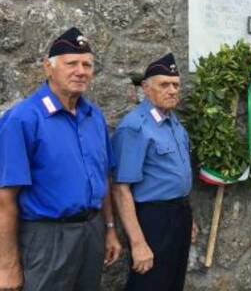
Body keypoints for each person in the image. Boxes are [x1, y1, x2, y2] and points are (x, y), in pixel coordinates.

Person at [0, 27, 122, 291]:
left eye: (87, 64)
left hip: (91, 232)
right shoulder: (22, 119)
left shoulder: (94, 117)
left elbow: (102, 178)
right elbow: (5, 198)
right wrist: (6, 265)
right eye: (72, 63)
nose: (81, 71)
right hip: (47, 238)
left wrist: (109, 228)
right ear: (48, 67)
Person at [112, 53, 197, 291]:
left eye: (176, 85)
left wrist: (186, 214)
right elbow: (121, 189)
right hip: (153, 220)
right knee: (150, 284)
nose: (172, 90)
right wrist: (138, 243)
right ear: (146, 89)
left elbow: (176, 174)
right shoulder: (135, 127)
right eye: (164, 85)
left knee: (173, 283)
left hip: (178, 214)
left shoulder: (174, 122)